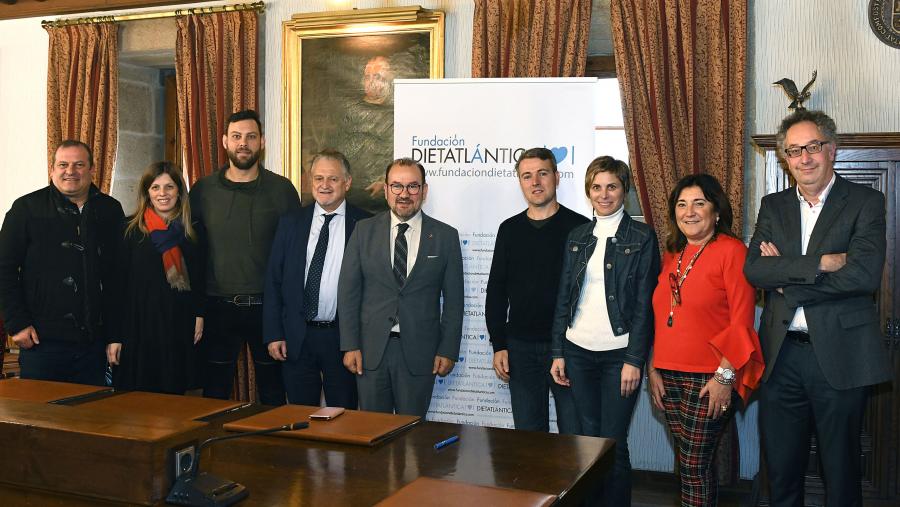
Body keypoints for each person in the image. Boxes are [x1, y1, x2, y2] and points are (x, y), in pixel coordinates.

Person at [744, 110, 891, 507]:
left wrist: (786, 280)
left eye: (813, 147)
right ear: (785, 159)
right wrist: (821, 263)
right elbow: (755, 269)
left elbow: (863, 275)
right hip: (782, 357)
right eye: (794, 151)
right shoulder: (773, 205)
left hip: (841, 357)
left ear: (832, 150)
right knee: (782, 471)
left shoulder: (865, 201)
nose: (804, 158)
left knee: (841, 475)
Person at [647, 174, 764, 507]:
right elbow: (662, 316)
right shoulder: (674, 253)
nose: (690, 212)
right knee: (688, 465)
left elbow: (742, 321)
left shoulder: (732, 251)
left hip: (709, 378)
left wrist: (725, 378)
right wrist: (653, 367)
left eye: (699, 203)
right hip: (667, 375)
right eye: (682, 204)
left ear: (716, 211)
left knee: (694, 466)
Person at [549, 156, 659, 505]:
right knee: (586, 441)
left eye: (611, 186)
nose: (604, 194)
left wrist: (634, 359)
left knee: (612, 444)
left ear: (624, 190)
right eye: (596, 187)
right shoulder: (577, 236)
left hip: (618, 356)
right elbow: (564, 296)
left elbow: (645, 305)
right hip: (577, 350)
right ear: (588, 191)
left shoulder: (642, 237)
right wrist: (557, 352)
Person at [189, 109, 301, 405]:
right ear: (225, 141)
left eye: (251, 137)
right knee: (214, 392)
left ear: (261, 142)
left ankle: (273, 451)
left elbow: (294, 257)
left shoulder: (282, 190)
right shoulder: (203, 190)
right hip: (217, 308)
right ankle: (212, 450)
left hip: (268, 308)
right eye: (236, 137)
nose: (243, 143)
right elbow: (193, 253)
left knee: (274, 392)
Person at [338, 158, 464, 416]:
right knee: (373, 434)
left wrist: (447, 349)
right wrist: (350, 345)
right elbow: (348, 294)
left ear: (424, 191)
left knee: (414, 439)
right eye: (396, 186)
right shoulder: (363, 231)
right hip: (370, 353)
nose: (404, 194)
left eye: (412, 187)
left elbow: (454, 301)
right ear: (385, 190)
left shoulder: (445, 237)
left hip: (420, 353)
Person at [0, 140, 124, 385]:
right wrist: (17, 324)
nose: (71, 171)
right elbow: (3, 269)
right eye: (63, 164)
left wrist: (115, 334)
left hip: (93, 344)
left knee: (90, 418)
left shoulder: (110, 210)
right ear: (52, 169)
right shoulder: (26, 209)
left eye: (79, 164)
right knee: (40, 419)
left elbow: (118, 278)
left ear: (91, 169)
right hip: (40, 340)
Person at [485, 147, 588, 433]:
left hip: (569, 347)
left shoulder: (580, 228)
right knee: (529, 441)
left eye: (542, 174)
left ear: (556, 177)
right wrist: (499, 345)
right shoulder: (509, 229)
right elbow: (496, 291)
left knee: (574, 438)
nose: (535, 182)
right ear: (519, 181)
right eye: (527, 176)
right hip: (521, 349)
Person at [264, 149, 371, 408]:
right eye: (318, 178)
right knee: (300, 417)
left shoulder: (367, 225)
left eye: (333, 179)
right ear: (310, 182)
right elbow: (274, 281)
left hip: (343, 340)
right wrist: (274, 333)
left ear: (347, 183)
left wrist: (358, 341)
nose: (325, 185)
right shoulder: (291, 223)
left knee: (343, 418)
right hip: (297, 338)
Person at [106, 162, 205, 394]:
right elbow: (115, 287)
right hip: (138, 327)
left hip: (178, 324)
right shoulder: (129, 230)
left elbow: (201, 278)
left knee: (176, 399)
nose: (163, 194)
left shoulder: (193, 230)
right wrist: (114, 337)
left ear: (179, 191)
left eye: (169, 187)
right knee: (137, 402)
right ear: (147, 193)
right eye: (156, 187)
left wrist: (200, 314)